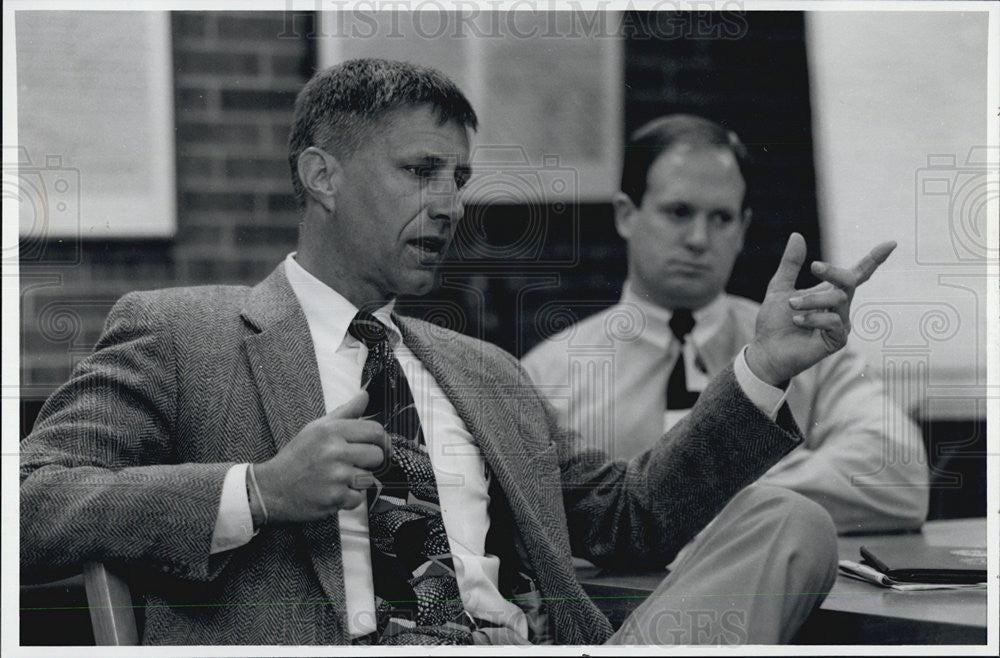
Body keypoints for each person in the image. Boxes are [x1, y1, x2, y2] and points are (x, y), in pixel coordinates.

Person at [21, 60, 894, 646]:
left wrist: (766, 369)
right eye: (419, 172)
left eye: (460, 180)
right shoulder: (182, 332)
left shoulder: (484, 371)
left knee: (791, 523)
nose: (448, 205)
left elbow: (636, 522)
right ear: (322, 177)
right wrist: (257, 491)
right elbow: (29, 504)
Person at [522, 114, 928, 535]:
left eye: (721, 218)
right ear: (626, 215)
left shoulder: (805, 352)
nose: (699, 239)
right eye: (678, 212)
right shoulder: (550, 373)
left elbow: (898, 477)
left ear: (742, 229)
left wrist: (694, 500)